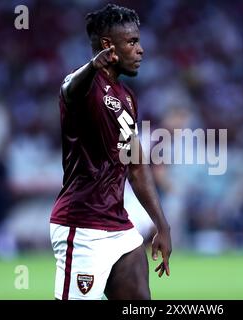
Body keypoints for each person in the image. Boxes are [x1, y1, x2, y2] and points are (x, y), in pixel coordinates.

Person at [50, 3, 172, 300]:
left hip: (119, 225)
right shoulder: (84, 87)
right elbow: (69, 89)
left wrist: (162, 224)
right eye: (132, 42)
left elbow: (136, 165)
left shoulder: (126, 98)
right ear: (108, 47)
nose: (140, 50)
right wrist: (93, 65)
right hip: (82, 226)